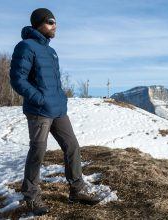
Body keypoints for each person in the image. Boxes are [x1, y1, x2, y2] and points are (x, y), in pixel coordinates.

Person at [9, 8, 102, 216]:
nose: (55, 26)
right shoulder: (25, 46)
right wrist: (40, 99)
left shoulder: (51, 51)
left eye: (55, 22)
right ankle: (31, 198)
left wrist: (60, 98)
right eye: (51, 22)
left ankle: (77, 190)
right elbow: (17, 80)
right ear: (39, 24)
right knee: (37, 152)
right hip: (39, 111)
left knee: (72, 147)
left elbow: (54, 82)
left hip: (58, 110)